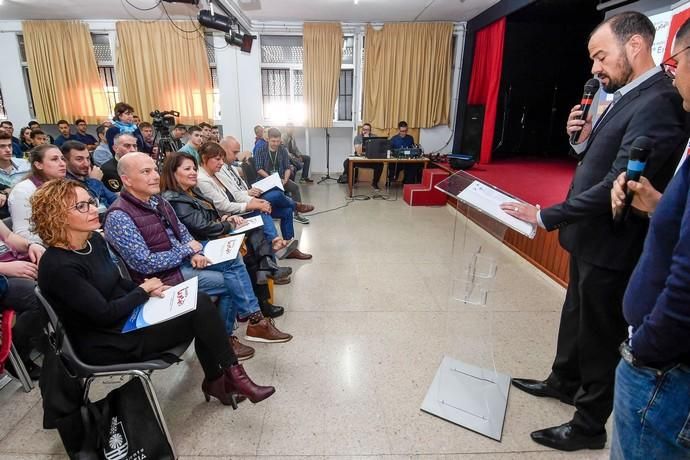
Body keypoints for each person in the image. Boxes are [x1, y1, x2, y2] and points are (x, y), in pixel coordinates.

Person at [501, 11, 690, 451]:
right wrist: (582, 140)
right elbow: (598, 161)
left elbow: (617, 183)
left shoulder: (661, 102)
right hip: (589, 237)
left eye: (601, 57)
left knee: (600, 331)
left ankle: (588, 423)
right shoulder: (628, 94)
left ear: (636, 47)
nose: (595, 69)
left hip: (613, 241)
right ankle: (563, 380)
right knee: (576, 315)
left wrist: (546, 215)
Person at [33, 179, 275, 407]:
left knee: (198, 303)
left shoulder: (92, 242)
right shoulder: (58, 266)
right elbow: (103, 315)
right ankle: (226, 379)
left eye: (91, 202)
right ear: (57, 216)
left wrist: (152, 290)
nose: (94, 209)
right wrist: (142, 291)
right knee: (200, 309)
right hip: (107, 339)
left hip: (124, 317)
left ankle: (225, 378)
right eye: (82, 206)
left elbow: (116, 282)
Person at [103, 153, 292, 361]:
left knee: (233, 257)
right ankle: (231, 334)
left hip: (180, 260)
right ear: (127, 179)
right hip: (161, 278)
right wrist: (187, 251)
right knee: (231, 281)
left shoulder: (157, 201)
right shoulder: (119, 216)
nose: (155, 176)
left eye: (154, 170)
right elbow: (145, 263)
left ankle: (253, 321)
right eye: (145, 172)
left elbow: (182, 231)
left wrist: (195, 251)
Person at [607, 18, 690, 459]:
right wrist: (660, 205)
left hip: (664, 369)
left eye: (678, 61)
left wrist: (644, 351)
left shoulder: (656, 101)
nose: (673, 73)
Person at [159, 152, 289, 317]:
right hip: (203, 242)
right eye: (187, 169)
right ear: (173, 172)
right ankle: (260, 302)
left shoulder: (191, 192)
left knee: (255, 232)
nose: (193, 172)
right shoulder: (175, 199)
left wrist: (226, 218)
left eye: (194, 168)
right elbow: (203, 227)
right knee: (249, 253)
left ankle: (267, 272)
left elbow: (210, 215)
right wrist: (228, 223)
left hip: (212, 234)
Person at [217, 136, 311, 260]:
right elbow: (234, 196)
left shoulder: (231, 167)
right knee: (275, 197)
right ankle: (295, 207)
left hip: (251, 196)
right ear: (222, 150)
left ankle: (289, 246)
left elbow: (240, 185)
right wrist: (250, 195)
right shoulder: (219, 169)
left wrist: (250, 190)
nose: (236, 156)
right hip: (244, 206)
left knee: (286, 211)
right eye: (234, 152)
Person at [0, 218, 46, 380]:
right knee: (35, 296)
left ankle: (67, 338)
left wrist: (30, 246)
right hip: (3, 277)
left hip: (11, 264)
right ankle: (19, 358)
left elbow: (9, 237)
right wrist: (5, 268)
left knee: (59, 269)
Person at [9, 144, 67, 243]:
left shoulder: (65, 185)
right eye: (54, 159)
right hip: (43, 249)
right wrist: (64, 240)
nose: (62, 164)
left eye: (62, 159)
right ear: (38, 165)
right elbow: (23, 233)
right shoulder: (23, 190)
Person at [255, 127, 311, 224]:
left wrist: (285, 179)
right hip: (265, 179)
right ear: (268, 139)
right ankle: (276, 211)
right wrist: (272, 179)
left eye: (278, 141)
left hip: (280, 179)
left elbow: (287, 167)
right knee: (277, 192)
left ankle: (297, 214)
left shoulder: (282, 149)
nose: (276, 144)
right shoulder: (260, 149)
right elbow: (259, 169)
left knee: (295, 187)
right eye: (273, 141)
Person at [62, 140, 117, 211]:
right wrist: (95, 182)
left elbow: (114, 200)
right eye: (79, 159)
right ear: (65, 161)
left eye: (88, 158)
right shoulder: (65, 184)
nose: (86, 164)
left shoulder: (89, 176)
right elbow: (88, 206)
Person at [339, 123, 383, 190]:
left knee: (380, 164)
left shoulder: (375, 137)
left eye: (367, 130)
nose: (365, 131)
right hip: (360, 159)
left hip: (371, 160)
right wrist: (365, 140)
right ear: (362, 130)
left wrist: (369, 139)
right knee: (346, 163)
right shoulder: (357, 138)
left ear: (370, 130)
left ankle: (375, 183)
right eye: (364, 129)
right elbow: (358, 151)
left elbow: (377, 149)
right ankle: (351, 181)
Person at [0, 132, 30, 222]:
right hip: (6, 216)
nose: (8, 150)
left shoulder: (25, 164)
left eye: (10, 145)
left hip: (30, 209)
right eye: (2, 146)